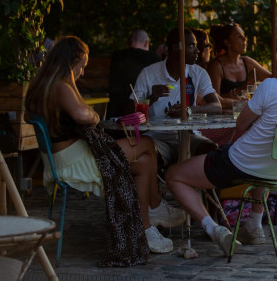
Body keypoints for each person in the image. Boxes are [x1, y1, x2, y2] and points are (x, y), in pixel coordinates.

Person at [165, 31, 277, 256]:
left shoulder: (271, 87)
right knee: (265, 155)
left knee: (174, 175)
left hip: (237, 163)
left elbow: (241, 124)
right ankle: (254, 224)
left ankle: (214, 229)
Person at [24, 36, 182, 258]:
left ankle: (146, 227)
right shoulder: (61, 86)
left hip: (63, 157)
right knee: (146, 143)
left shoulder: (43, 85)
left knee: (145, 162)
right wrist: (94, 115)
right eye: (82, 66)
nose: (83, 73)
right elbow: (82, 114)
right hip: (75, 161)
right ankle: (154, 209)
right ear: (72, 62)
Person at [132, 27, 221, 164]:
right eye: (191, 46)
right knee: (149, 159)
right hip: (156, 137)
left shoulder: (198, 73)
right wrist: (152, 97)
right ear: (175, 47)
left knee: (211, 150)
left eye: (196, 46)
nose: (197, 51)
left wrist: (188, 110)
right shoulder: (149, 74)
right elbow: (130, 111)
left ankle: (197, 185)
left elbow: (217, 107)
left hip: (189, 135)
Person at [207, 23, 272, 109]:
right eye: (239, 36)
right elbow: (213, 99)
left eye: (244, 36)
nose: (245, 39)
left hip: (243, 114)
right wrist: (239, 90)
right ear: (227, 42)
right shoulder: (216, 66)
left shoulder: (247, 62)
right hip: (222, 118)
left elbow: (273, 79)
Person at [108, 30, 160, 118]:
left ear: (129, 42)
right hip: (140, 109)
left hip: (115, 107)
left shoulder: (117, 56)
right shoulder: (152, 57)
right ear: (146, 43)